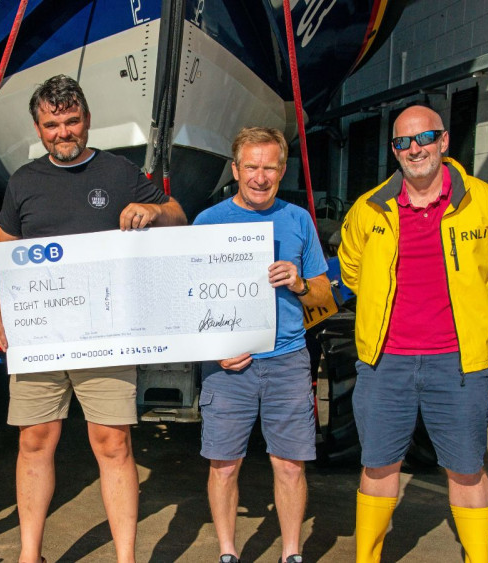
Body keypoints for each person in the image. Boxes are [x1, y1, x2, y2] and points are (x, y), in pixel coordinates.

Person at [0, 74, 187, 563]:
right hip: (41, 336)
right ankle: (28, 555)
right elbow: (1, 252)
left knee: (113, 442)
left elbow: (179, 216)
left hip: (107, 337)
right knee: (35, 441)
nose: (63, 132)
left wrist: (151, 210)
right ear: (38, 127)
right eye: (52, 124)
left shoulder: (119, 173)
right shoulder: (24, 181)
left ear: (88, 121)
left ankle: (125, 558)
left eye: (71, 121)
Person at [338, 105, 488, 563]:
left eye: (424, 139)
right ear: (394, 151)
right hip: (386, 361)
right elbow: (353, 271)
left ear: (443, 141)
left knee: (465, 469)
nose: (414, 149)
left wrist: (469, 317)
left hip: (458, 363)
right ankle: (368, 557)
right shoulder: (369, 209)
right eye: (403, 142)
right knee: (379, 465)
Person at [193, 127, 331, 563]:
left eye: (269, 167)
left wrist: (300, 281)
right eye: (250, 166)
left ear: (282, 170)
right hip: (227, 365)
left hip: (288, 359)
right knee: (223, 464)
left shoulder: (299, 219)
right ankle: (228, 553)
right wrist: (213, 351)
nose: (259, 176)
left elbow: (325, 297)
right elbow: (185, 299)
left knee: (290, 464)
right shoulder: (207, 222)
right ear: (235, 170)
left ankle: (292, 554)